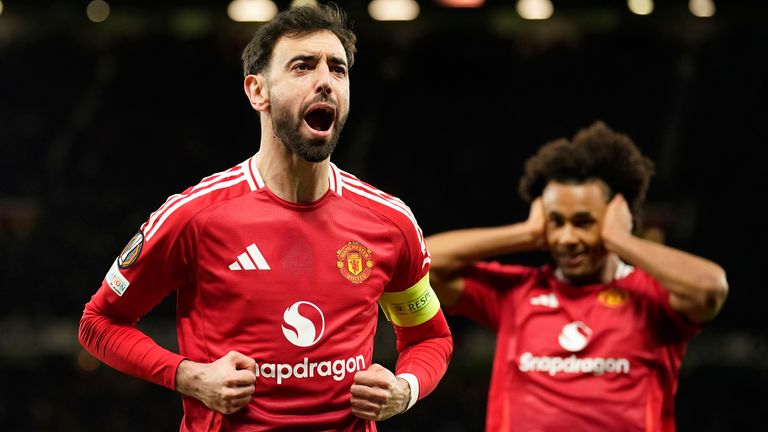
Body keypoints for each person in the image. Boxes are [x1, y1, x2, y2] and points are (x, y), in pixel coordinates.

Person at [78, 4, 452, 431]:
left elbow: (429, 337)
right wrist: (188, 376)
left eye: (338, 69)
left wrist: (405, 389)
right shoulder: (195, 217)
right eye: (302, 66)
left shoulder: (390, 223)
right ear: (258, 91)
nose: (325, 81)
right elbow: (99, 324)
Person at [426, 121, 728, 432]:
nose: (567, 238)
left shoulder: (651, 296)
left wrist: (619, 239)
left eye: (584, 222)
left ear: (614, 219)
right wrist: (526, 233)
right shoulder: (517, 292)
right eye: (557, 222)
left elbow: (710, 290)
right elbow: (424, 264)